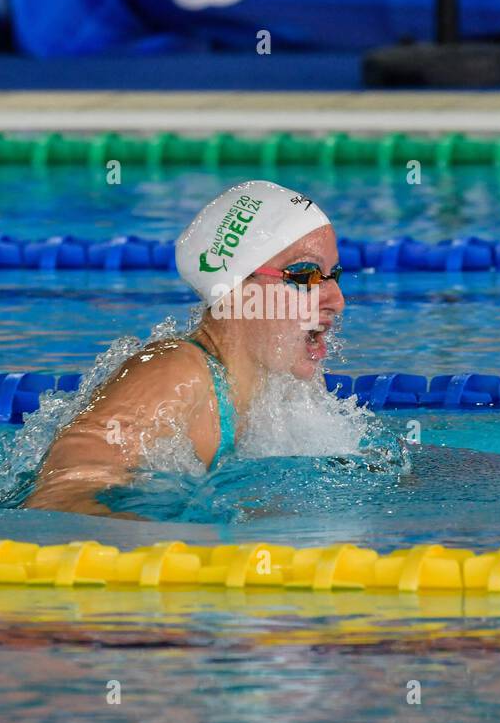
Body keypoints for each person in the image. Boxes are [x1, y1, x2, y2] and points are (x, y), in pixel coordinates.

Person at [25, 181, 345, 515]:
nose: (337, 300)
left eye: (334, 275)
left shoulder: (286, 385)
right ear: (234, 289)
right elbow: (64, 491)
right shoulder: (174, 373)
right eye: (305, 275)